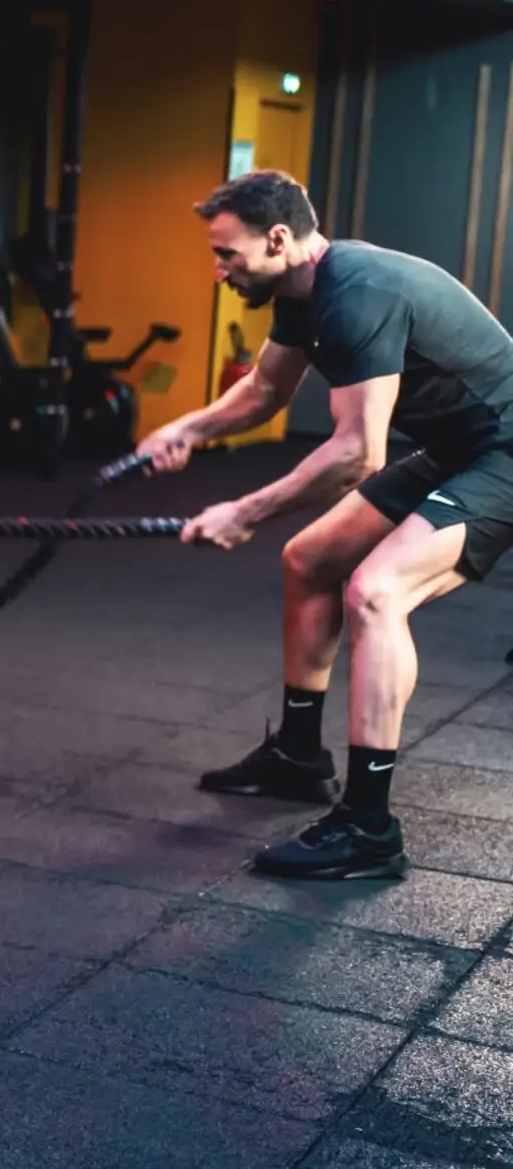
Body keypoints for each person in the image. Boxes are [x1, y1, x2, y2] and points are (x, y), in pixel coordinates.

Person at [137, 168, 513, 882]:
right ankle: (299, 757)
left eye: (228, 254)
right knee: (310, 558)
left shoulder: (355, 294)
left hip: (506, 453)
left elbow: (356, 454)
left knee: (376, 591)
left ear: (278, 238)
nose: (219, 272)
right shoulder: (301, 293)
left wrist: (243, 510)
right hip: (462, 449)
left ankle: (370, 827)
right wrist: (181, 429)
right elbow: (264, 392)